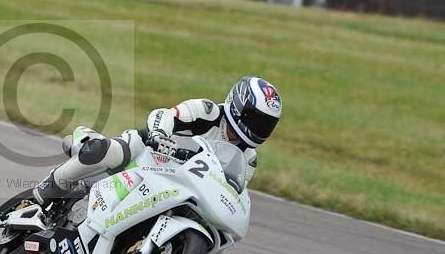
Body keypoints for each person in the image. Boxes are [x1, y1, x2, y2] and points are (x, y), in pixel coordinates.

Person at [33, 76, 282, 204]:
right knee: (108, 150)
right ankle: (52, 184)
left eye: (266, 124)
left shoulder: (248, 159)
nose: (257, 128)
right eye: (255, 119)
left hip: (180, 187)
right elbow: (164, 115)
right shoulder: (208, 112)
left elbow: (232, 191)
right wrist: (159, 134)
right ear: (239, 105)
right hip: (147, 155)